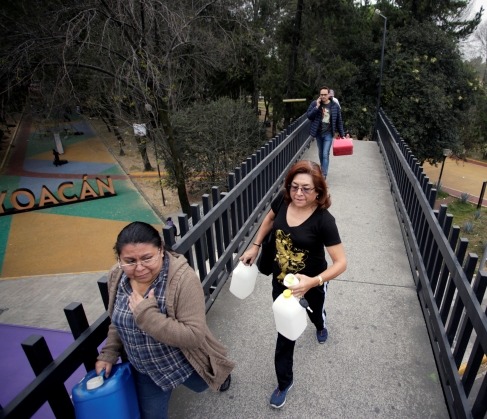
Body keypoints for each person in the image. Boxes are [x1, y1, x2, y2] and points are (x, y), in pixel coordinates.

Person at [95, 222, 234, 419]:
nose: (139, 268)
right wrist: (108, 353)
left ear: (160, 250)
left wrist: (147, 316)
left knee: (205, 382)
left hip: (182, 362)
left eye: (147, 258)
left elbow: (194, 336)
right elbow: (117, 321)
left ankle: (223, 375)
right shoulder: (117, 276)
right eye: (130, 261)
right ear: (119, 258)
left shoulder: (183, 280)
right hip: (145, 369)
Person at [239, 160, 347, 409]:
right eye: (294, 186)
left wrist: (314, 281)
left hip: (312, 284)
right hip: (282, 285)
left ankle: (320, 325)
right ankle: (284, 381)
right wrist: (255, 246)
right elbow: (269, 219)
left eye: (306, 188)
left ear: (318, 192)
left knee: (315, 314)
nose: (298, 193)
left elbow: (341, 263)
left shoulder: (324, 221)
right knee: (285, 333)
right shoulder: (282, 200)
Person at [306, 86, 348, 180]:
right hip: (318, 133)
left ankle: (324, 174)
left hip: (328, 133)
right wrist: (316, 107)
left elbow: (339, 121)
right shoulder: (315, 104)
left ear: (329, 94)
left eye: (325, 94)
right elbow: (309, 116)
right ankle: (322, 169)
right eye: (321, 95)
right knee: (321, 153)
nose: (323, 96)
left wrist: (342, 135)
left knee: (325, 153)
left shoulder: (334, 106)